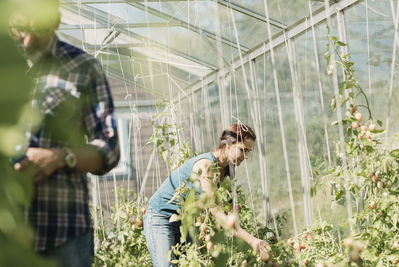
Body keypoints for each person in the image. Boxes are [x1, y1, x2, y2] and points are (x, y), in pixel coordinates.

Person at [9, 1, 120, 266]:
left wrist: (61, 156)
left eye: (38, 29)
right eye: (19, 28)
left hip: (63, 233)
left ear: (55, 21)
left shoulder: (83, 68)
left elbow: (110, 147)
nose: (26, 41)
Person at [144, 123, 270, 267]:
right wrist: (252, 241)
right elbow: (217, 213)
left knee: (195, 263)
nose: (246, 156)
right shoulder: (207, 166)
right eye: (243, 150)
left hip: (186, 222)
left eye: (249, 152)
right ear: (228, 144)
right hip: (161, 217)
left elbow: (226, 215)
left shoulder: (227, 171)